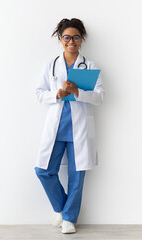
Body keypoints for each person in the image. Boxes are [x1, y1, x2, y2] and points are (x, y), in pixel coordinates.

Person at [34, 18, 105, 234]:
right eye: (67, 37)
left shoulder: (90, 66)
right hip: (56, 128)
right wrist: (56, 94)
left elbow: (100, 97)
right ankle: (62, 209)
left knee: (77, 175)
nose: (71, 41)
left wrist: (77, 92)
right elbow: (38, 94)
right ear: (60, 39)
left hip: (79, 129)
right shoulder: (51, 65)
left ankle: (69, 219)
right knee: (43, 171)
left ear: (81, 39)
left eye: (75, 37)